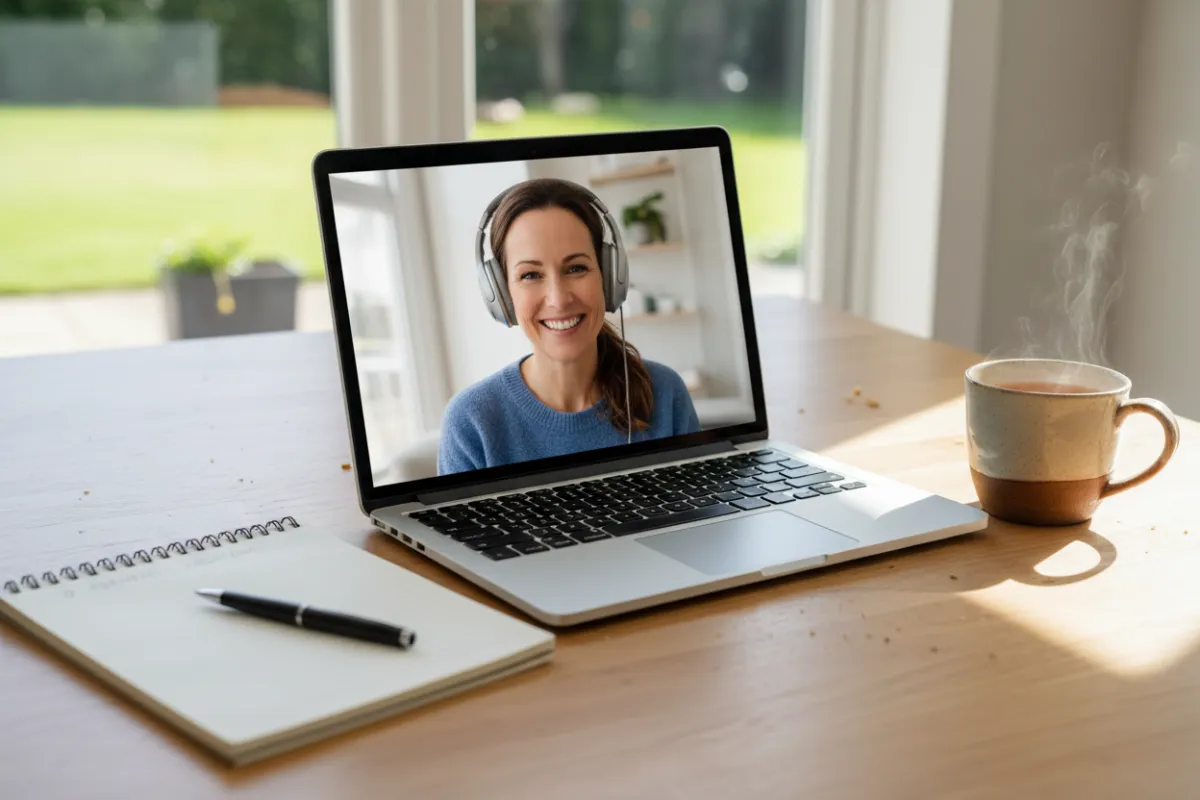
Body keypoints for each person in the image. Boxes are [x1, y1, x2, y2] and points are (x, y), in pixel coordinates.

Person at [437, 177, 700, 475]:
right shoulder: (472, 421)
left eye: (576, 268)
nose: (559, 300)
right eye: (530, 275)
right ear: (500, 294)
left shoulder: (665, 393)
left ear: (610, 276)